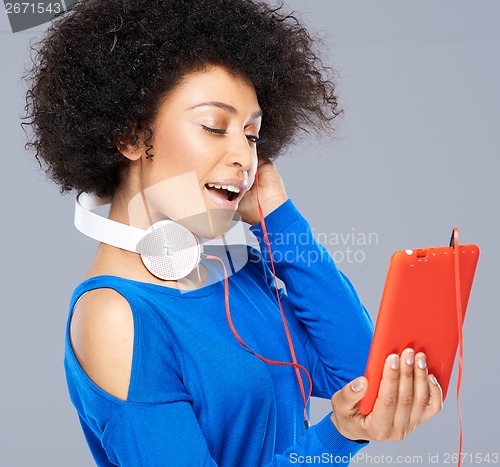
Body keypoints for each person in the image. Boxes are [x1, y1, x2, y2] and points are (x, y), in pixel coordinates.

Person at [24, 0, 442, 465]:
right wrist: (335, 437)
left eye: (251, 134)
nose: (244, 156)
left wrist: (278, 220)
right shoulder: (115, 318)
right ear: (132, 138)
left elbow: (363, 376)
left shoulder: (236, 276)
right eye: (214, 126)